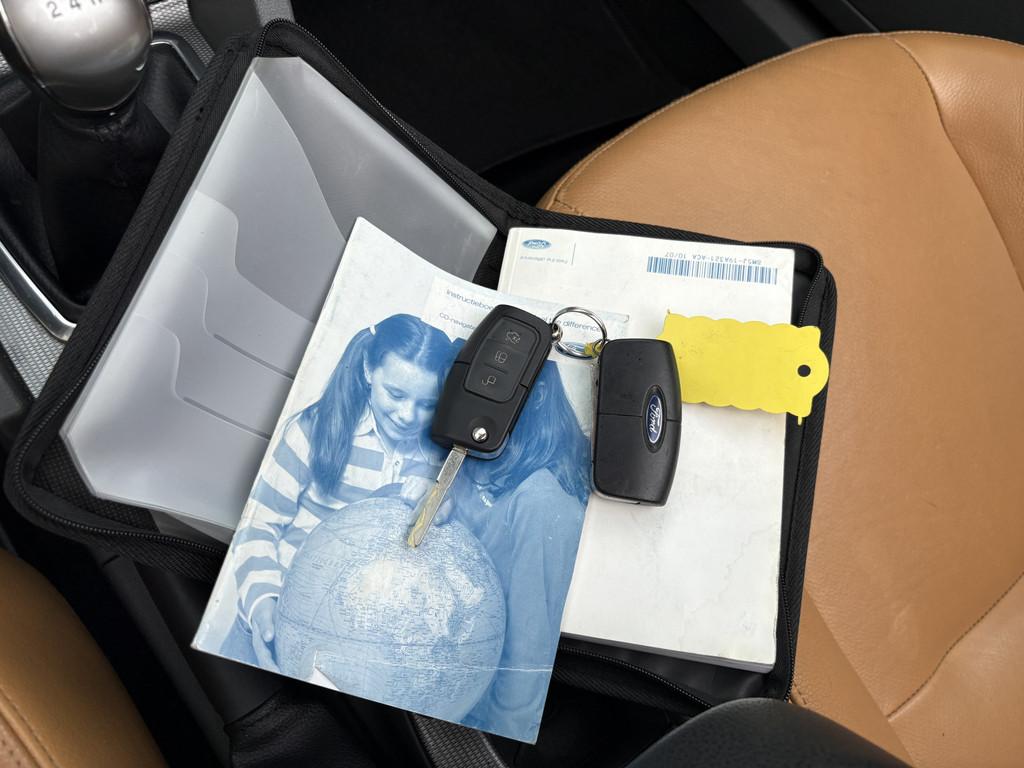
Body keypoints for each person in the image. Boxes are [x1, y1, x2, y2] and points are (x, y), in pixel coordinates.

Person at [222, 314, 455, 666]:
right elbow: (258, 524)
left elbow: (435, 540)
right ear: (368, 370)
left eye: (427, 404)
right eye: (395, 394)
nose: (408, 415)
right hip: (273, 617)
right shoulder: (314, 430)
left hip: (344, 642)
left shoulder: (438, 458)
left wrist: (437, 500)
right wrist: (262, 603)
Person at [446, 361, 591, 737]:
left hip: (487, 718)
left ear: (536, 395)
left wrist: (494, 740)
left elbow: (530, 641)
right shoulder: (505, 458)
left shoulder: (540, 500)